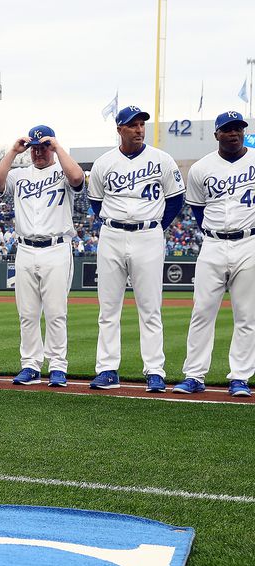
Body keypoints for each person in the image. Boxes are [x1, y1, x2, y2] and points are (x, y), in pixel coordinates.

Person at [86, 105, 185, 392]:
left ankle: (154, 370)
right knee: (108, 308)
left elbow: (175, 200)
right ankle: (106, 369)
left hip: (148, 236)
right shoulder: (105, 162)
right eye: (132, 125)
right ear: (120, 129)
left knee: (150, 307)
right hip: (112, 235)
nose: (139, 129)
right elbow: (95, 202)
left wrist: (155, 226)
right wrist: (115, 222)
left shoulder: (162, 159)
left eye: (142, 124)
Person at [0, 125, 84, 387]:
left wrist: (57, 147)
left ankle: (57, 366)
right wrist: (12, 151)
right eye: (35, 147)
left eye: (43, 146)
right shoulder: (19, 174)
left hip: (56, 247)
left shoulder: (62, 170)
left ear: (51, 146)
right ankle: (30, 365)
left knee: (56, 312)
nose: (38, 152)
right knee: (28, 313)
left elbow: (77, 178)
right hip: (25, 249)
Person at [173, 112, 253, 397]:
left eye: (238, 129)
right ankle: (194, 375)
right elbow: (197, 209)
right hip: (213, 243)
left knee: (247, 315)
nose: (234, 134)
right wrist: (215, 232)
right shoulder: (201, 168)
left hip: (249, 242)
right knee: (202, 311)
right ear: (217, 134)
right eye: (228, 130)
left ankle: (240, 377)